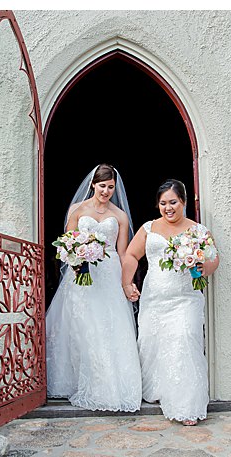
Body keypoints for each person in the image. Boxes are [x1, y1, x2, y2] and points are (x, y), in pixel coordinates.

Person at [121, 179, 220, 426]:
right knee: (151, 342)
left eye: (173, 202)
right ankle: (157, 391)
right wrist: (127, 283)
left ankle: (186, 405)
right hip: (154, 298)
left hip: (186, 298)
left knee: (185, 339)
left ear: (183, 202)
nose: (168, 207)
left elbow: (214, 259)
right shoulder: (149, 229)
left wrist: (203, 267)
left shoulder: (198, 230)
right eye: (163, 203)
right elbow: (132, 255)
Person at [45, 164, 142, 411]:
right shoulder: (77, 210)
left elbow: (123, 253)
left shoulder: (120, 216)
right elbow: (66, 245)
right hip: (81, 273)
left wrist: (127, 282)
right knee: (83, 325)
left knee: (108, 325)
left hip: (108, 272)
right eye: (102, 186)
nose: (106, 191)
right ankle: (77, 380)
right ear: (93, 185)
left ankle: (108, 384)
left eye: (110, 187)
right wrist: (76, 261)